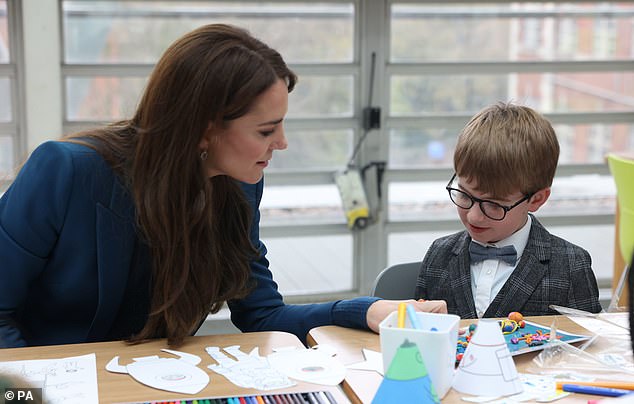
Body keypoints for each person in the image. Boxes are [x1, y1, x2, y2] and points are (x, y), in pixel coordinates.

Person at [0, 24, 446, 348]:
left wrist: (367, 311)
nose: (283, 144)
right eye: (266, 130)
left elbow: (262, 314)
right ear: (202, 129)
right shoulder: (65, 171)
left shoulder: (238, 187)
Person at [414, 102, 602, 319]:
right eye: (464, 195)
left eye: (494, 205)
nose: (474, 215)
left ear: (536, 199)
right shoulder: (439, 254)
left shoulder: (571, 266)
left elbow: (589, 347)